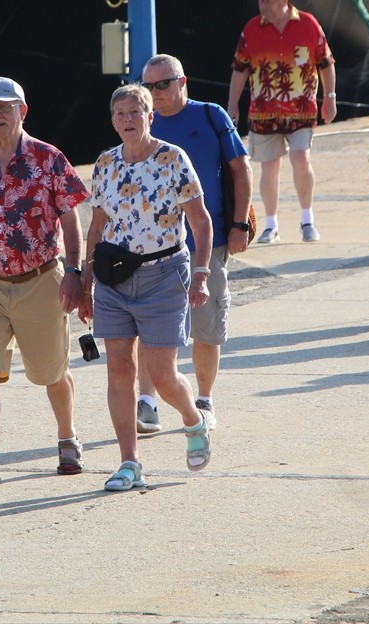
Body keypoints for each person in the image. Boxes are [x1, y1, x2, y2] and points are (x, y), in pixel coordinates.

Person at [0, 77, 90, 488]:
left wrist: (77, 274)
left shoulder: (49, 158)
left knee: (51, 373)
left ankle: (67, 438)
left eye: (3, 108)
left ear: (21, 112)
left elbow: (70, 217)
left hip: (40, 280)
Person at [78, 84, 213, 492]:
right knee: (119, 369)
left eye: (135, 111)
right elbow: (97, 225)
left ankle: (193, 420)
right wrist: (85, 284)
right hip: (114, 278)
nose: (127, 119)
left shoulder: (173, 159)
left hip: (165, 275)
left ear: (150, 116)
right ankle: (129, 463)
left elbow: (201, 221)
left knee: (162, 373)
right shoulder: (105, 163)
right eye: (120, 113)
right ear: (113, 120)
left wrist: (202, 272)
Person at [136, 54, 251, 434]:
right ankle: (147, 402)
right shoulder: (141, 120)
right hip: (153, 245)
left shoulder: (210, 115)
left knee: (206, 324)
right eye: (148, 86)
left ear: (182, 82)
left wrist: (239, 224)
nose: (155, 93)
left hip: (208, 238)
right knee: (150, 326)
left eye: (163, 84)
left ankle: (204, 399)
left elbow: (240, 169)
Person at [227, 0, 336, 244]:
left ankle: (307, 219)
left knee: (301, 158)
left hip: (301, 109)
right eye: (261, 0)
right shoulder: (252, 29)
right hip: (263, 111)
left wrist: (330, 97)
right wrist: (232, 104)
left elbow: (325, 62)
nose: (263, 6)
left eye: (268, 1)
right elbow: (239, 69)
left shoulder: (308, 24)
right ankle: (271, 225)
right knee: (269, 167)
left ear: (284, 0)